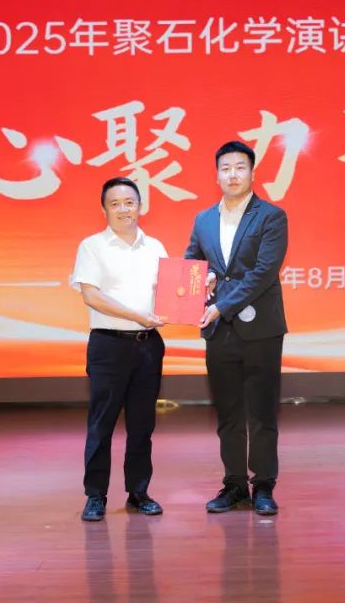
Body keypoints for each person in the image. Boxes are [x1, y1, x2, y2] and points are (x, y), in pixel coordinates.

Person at [184, 141, 288, 516]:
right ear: (216, 175)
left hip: (261, 329)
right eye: (225, 168)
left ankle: (264, 486)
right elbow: (192, 263)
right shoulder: (203, 220)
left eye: (240, 167)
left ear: (252, 173)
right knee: (228, 413)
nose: (232, 174)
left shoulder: (271, 216)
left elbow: (263, 273)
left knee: (262, 412)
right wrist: (201, 281)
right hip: (219, 332)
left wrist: (221, 306)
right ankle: (234, 485)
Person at [70, 177, 167, 522]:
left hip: (148, 345)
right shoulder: (92, 246)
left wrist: (202, 286)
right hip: (108, 345)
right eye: (115, 204)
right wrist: (135, 315)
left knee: (142, 424)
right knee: (102, 423)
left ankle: (138, 492)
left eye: (130, 202)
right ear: (104, 209)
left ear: (140, 206)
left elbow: (172, 290)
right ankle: (95, 495)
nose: (124, 209)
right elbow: (91, 296)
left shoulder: (155, 247)